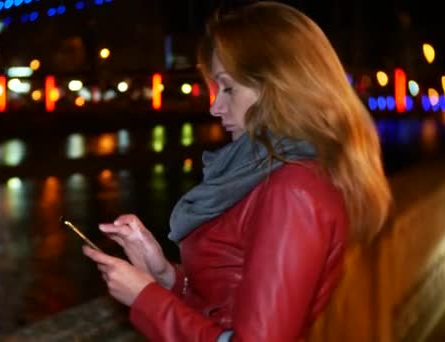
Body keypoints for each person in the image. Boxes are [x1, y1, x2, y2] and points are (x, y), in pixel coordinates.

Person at [83, 1, 392, 341]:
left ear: (277, 87)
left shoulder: (292, 188)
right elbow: (230, 302)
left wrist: (145, 298)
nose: (215, 107)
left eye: (228, 88)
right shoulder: (275, 172)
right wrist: (166, 276)